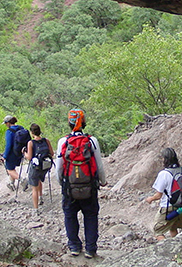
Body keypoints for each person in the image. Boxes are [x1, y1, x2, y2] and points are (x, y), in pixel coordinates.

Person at [56, 109, 107, 259]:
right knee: (90, 216)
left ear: (69, 123)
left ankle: (74, 246)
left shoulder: (63, 141)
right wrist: (102, 181)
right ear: (83, 123)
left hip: (69, 187)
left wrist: (63, 183)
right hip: (89, 186)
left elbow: (59, 167)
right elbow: (99, 165)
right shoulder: (92, 141)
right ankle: (90, 249)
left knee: (70, 215)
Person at [145, 147, 182, 240]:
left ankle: (167, 251)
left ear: (165, 159)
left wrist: (150, 199)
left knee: (157, 231)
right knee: (173, 227)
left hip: (168, 208)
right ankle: (177, 249)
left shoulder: (164, 174)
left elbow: (158, 195)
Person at [25, 123, 53, 214]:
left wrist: (24, 153)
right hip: (45, 166)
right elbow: (52, 153)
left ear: (32, 133)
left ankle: (36, 209)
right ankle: (41, 197)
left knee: (34, 187)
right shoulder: (46, 140)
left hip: (35, 167)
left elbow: (29, 157)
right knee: (39, 180)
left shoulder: (31, 143)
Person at [2, 115, 26, 191]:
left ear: (8, 123)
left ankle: (22, 180)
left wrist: (4, 156)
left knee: (9, 170)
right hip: (20, 152)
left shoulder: (9, 132)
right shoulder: (21, 128)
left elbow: (8, 145)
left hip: (12, 153)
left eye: (6, 123)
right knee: (12, 168)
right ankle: (11, 183)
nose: (6, 125)